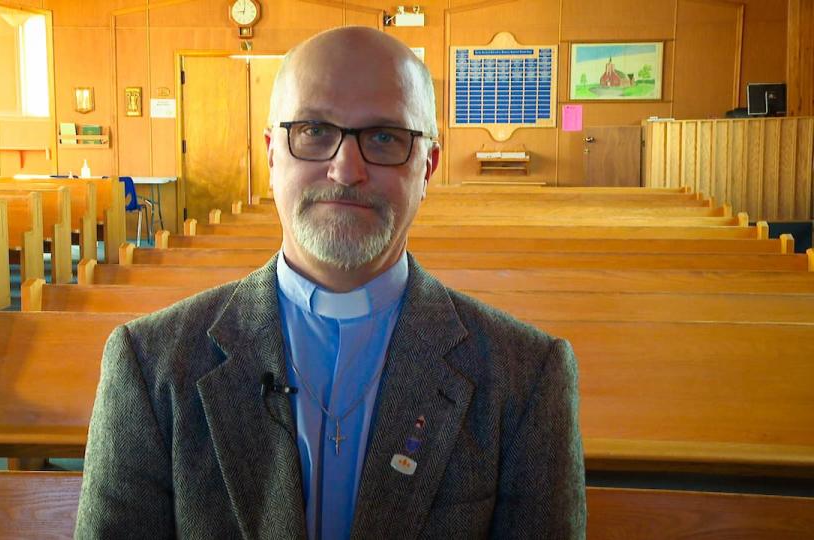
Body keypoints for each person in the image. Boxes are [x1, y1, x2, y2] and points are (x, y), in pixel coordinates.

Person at [75, 26, 585, 539]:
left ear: (427, 168)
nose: (345, 170)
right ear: (273, 154)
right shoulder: (152, 364)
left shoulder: (524, 377)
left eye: (385, 137)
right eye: (315, 132)